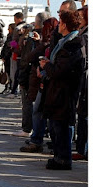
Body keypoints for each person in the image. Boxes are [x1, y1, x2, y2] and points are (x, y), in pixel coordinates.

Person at [39, 10, 83, 170]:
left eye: (60, 21)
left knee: (61, 127)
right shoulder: (65, 42)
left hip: (64, 92)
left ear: (65, 24)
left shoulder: (72, 44)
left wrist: (47, 66)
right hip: (58, 91)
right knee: (56, 126)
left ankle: (63, 159)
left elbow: (60, 70)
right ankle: (58, 157)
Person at [20, 16, 57, 152]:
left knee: (40, 111)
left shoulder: (51, 42)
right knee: (39, 110)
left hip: (46, 79)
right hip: (40, 78)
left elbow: (31, 56)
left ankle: (40, 140)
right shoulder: (47, 41)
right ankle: (39, 139)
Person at [73, 5, 88, 161]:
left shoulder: (86, 35)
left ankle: (84, 148)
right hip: (82, 78)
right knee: (82, 114)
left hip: (85, 78)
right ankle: (82, 147)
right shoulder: (83, 32)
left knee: (84, 115)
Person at [0, 23, 16, 94]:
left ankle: (11, 87)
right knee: (7, 73)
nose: (8, 29)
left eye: (9, 28)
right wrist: (2, 56)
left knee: (10, 73)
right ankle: (7, 87)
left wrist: (6, 56)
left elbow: (11, 48)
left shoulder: (13, 37)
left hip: (9, 57)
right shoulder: (8, 36)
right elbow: (5, 47)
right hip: (6, 57)